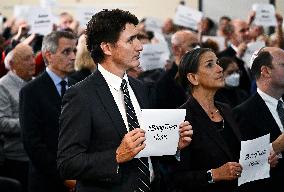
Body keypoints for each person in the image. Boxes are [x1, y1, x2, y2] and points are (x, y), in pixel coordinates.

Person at [57, 9, 192, 192]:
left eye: (137, 39)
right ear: (107, 48)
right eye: (130, 40)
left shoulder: (141, 88)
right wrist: (116, 156)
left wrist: (171, 144)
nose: (140, 46)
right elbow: (68, 163)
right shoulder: (80, 95)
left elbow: (147, 150)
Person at [173, 48, 243, 192]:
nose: (219, 69)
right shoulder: (181, 118)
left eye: (217, 63)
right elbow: (176, 179)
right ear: (193, 78)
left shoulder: (226, 109)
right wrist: (213, 174)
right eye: (210, 65)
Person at [19, 31, 77, 192]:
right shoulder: (31, 91)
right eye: (66, 51)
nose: (73, 57)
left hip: (79, 176)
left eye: (74, 51)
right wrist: (63, 177)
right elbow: (33, 143)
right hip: (46, 181)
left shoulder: (78, 86)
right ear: (49, 55)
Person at [233, 47, 284, 192]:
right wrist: (275, 146)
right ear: (266, 71)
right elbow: (244, 165)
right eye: (283, 65)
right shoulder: (243, 113)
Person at [0, 43, 35, 192]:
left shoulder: (35, 83)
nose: (33, 61)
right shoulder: (3, 86)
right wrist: (32, 123)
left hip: (36, 155)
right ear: (13, 64)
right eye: (27, 58)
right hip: (16, 158)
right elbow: (2, 123)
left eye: (33, 56)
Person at [155, 30, 199, 109]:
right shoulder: (165, 82)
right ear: (176, 49)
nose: (198, 49)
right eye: (193, 45)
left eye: (199, 45)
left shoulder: (203, 75)